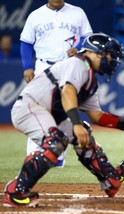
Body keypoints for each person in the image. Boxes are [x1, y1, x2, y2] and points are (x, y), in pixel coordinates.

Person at [2, 33, 124, 207]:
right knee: (56, 142)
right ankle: (15, 192)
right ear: (91, 52)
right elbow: (68, 91)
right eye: (107, 54)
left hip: (48, 114)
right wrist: (75, 123)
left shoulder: (90, 78)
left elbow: (96, 115)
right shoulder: (78, 63)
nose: (110, 59)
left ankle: (110, 179)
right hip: (30, 108)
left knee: (85, 136)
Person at [20, 0, 93, 167]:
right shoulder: (35, 15)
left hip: (69, 65)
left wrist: (80, 47)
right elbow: (26, 42)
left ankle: (58, 157)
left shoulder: (77, 12)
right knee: (38, 110)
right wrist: (27, 67)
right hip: (44, 66)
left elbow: (87, 36)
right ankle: (34, 153)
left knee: (66, 109)